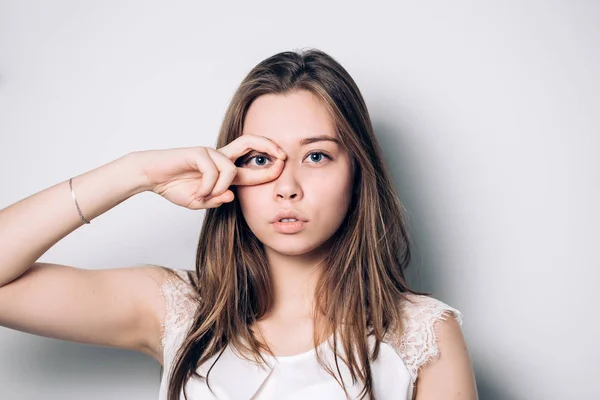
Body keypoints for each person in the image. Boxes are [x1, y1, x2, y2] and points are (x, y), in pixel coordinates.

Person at [0, 48, 478, 400]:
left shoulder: (422, 333)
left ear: (358, 171)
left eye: (316, 155)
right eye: (259, 157)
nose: (286, 185)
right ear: (232, 170)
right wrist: (136, 173)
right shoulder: (180, 312)